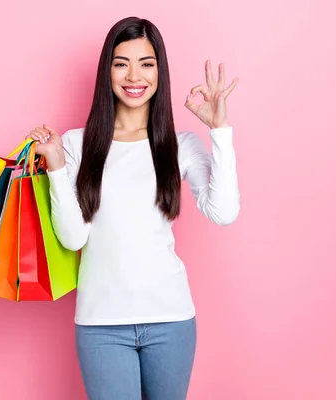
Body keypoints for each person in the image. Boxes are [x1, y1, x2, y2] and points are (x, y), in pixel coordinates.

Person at [26, 16, 240, 400]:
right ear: (107, 71)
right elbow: (74, 239)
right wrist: (56, 165)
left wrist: (219, 129)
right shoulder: (77, 143)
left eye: (146, 63)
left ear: (160, 72)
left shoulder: (180, 144)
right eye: (121, 63)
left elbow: (223, 211)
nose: (133, 76)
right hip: (101, 326)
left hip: (171, 320)